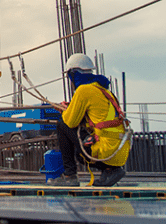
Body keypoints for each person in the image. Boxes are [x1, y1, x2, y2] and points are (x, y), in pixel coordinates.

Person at [47, 53, 132, 187]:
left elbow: (70, 122)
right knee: (80, 152)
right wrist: (70, 107)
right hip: (119, 152)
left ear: (73, 74)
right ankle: (110, 170)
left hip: (106, 151)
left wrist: (66, 111)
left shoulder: (83, 90)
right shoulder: (103, 90)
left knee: (62, 124)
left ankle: (70, 176)